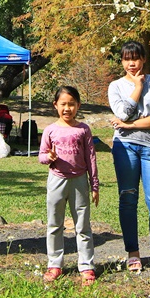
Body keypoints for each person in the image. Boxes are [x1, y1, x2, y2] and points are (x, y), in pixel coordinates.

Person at [108, 40, 150, 272]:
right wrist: (136, 87)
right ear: (122, 61)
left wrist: (130, 124)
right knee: (128, 198)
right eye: (126, 59)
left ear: (143, 59)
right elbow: (121, 112)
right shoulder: (115, 86)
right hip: (125, 148)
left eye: (135, 58)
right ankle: (133, 253)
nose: (131, 63)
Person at [38, 86, 100, 285]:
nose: (67, 108)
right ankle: (54, 264)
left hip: (80, 181)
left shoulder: (83, 129)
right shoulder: (50, 130)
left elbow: (91, 157)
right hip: (56, 180)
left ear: (78, 105)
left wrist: (94, 185)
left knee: (83, 225)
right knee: (54, 224)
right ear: (55, 105)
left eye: (71, 104)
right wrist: (49, 156)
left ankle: (86, 265)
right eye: (63, 104)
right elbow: (41, 156)